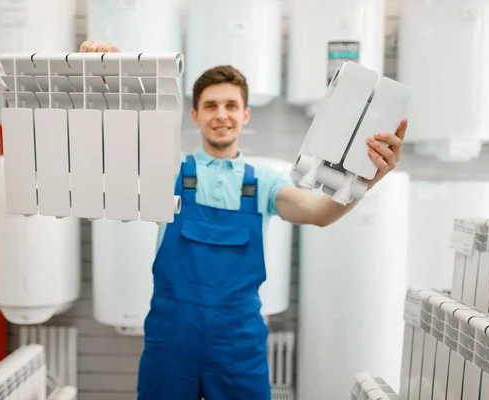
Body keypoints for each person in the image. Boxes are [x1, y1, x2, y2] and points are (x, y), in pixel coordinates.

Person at [80, 40, 408, 400]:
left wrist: (366, 179)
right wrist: (108, 81)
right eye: (211, 106)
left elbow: (318, 212)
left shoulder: (264, 182)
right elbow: (128, 141)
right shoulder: (169, 170)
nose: (221, 114)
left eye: (231, 105)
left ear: (245, 114)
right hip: (172, 338)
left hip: (237, 344)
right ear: (195, 116)